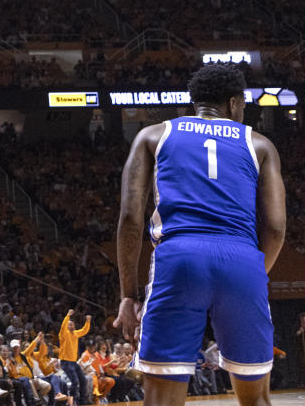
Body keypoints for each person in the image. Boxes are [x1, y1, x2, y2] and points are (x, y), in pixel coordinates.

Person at [114, 63, 286, 406]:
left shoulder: (153, 135)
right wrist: (253, 274)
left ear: (195, 103)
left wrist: (129, 296)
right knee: (257, 400)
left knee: (161, 400)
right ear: (235, 103)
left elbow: (131, 219)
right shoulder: (259, 143)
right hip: (241, 258)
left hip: (178, 258)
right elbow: (276, 227)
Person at [58, 310, 90, 405]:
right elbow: (63, 327)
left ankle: (82, 401)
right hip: (66, 362)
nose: (72, 326)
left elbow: (84, 330)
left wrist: (87, 321)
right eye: (70, 325)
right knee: (75, 382)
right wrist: (67, 316)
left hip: (73, 362)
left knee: (83, 380)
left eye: (73, 325)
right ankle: (72, 402)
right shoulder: (64, 334)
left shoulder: (75, 333)